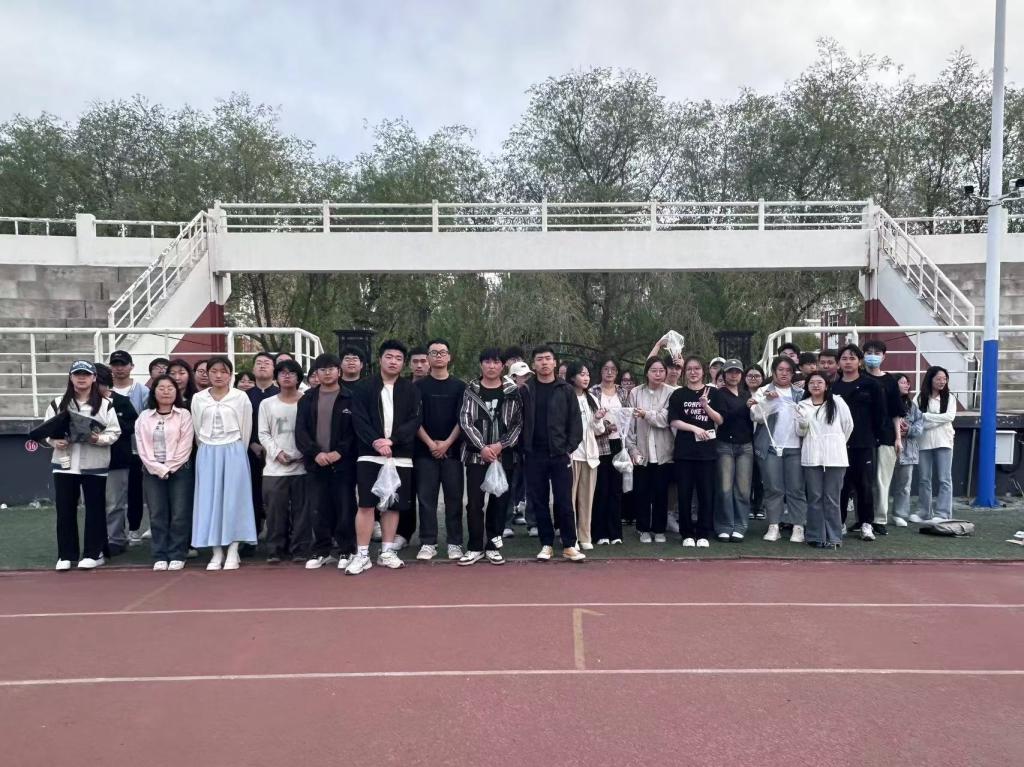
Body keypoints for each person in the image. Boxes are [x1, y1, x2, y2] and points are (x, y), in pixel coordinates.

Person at [347, 340, 422, 575]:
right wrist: (376, 441)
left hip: (400, 456)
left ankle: (387, 551)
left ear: (403, 363)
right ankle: (362, 554)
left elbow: (415, 420)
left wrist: (393, 441)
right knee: (366, 504)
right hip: (370, 455)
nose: (393, 362)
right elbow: (358, 419)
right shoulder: (363, 387)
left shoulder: (411, 389)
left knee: (393, 505)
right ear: (380, 359)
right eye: (389, 357)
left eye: (398, 358)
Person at [44, 361, 121, 570]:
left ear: (94, 378)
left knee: (95, 509)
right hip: (64, 464)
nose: (81, 378)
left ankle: (94, 553)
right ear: (70, 377)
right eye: (77, 374)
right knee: (65, 509)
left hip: (95, 464)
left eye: (86, 374)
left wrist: (98, 439)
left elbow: (114, 432)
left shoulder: (105, 404)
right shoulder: (57, 403)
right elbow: (47, 430)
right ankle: (66, 555)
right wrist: (55, 442)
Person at [458, 347, 524, 565]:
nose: (491, 366)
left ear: (502, 366)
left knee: (500, 503)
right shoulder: (471, 389)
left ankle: (493, 546)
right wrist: (482, 447)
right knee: (474, 504)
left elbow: (518, 424)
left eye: (496, 362)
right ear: (481, 365)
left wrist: (500, 445)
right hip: (476, 457)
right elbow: (465, 421)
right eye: (487, 362)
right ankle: (475, 546)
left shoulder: (512, 391)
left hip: (504, 457)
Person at [190, 356, 257, 570]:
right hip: (207, 452)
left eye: (223, 371)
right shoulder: (198, 398)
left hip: (234, 451)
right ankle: (216, 551)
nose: (218, 375)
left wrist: (237, 451)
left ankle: (234, 549)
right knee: (209, 501)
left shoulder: (240, 397)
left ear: (230, 375)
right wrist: (208, 448)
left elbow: (246, 429)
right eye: (214, 371)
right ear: (207, 374)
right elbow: (197, 429)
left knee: (235, 499)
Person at [521, 345, 585, 561]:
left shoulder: (566, 390)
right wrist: (524, 449)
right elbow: (518, 421)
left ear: (555, 362)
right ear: (533, 364)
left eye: (548, 358)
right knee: (539, 501)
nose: (544, 363)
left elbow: (575, 423)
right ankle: (546, 544)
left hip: (560, 454)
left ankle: (569, 545)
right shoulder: (526, 390)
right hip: (534, 454)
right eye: (539, 359)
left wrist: (568, 448)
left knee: (564, 501)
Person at [295, 353, 357, 570]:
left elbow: (354, 431)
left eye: (331, 368)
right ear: (316, 374)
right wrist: (315, 453)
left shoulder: (350, 398)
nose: (327, 373)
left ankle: (346, 550)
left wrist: (339, 452)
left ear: (339, 372)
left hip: (343, 464)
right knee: (318, 508)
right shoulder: (307, 399)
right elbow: (300, 431)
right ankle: (321, 550)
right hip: (316, 463)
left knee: (345, 507)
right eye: (322, 369)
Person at [414, 338, 466, 561]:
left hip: (452, 452)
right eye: (434, 353)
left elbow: (463, 419)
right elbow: (414, 419)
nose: (438, 356)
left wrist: (446, 443)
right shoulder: (417, 387)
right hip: (424, 452)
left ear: (449, 357)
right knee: (426, 499)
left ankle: (455, 543)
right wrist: (431, 444)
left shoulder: (460, 387)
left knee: (454, 499)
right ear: (428, 357)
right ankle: (428, 542)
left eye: (442, 352)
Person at [136, 375, 195, 570]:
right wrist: (158, 468)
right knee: (157, 514)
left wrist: (168, 467)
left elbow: (185, 446)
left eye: (170, 388)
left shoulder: (184, 415)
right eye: (161, 388)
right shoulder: (144, 417)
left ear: (176, 392)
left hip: (180, 470)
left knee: (180, 514)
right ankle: (160, 554)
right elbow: (142, 448)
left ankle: (178, 553)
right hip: (152, 471)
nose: (166, 391)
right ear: (154, 392)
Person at [830, 344, 886, 540]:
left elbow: (880, 414)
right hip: (839, 444)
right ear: (839, 362)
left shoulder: (872, 385)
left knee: (864, 485)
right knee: (841, 485)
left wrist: (875, 437)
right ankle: (840, 522)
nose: (848, 362)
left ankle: (866, 523)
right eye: (844, 358)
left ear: (860, 361)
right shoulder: (834, 387)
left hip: (864, 443)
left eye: (852, 358)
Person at [668, 357, 723, 547]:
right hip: (684, 452)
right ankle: (687, 534)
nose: (693, 372)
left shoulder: (714, 393)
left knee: (706, 494)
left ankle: (703, 533)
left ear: (703, 371)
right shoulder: (678, 394)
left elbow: (720, 420)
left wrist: (705, 405)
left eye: (697, 368)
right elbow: (673, 421)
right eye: (690, 369)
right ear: (685, 372)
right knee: (684, 494)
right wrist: (694, 428)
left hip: (707, 452)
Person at [751, 356, 807, 543]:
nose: (784, 373)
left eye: (788, 370)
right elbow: (756, 416)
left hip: (795, 447)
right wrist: (768, 401)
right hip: (771, 447)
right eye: (780, 370)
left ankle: (798, 526)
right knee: (773, 488)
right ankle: (774, 525)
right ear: (773, 372)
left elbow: (808, 419)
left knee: (796, 489)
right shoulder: (763, 391)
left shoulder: (801, 393)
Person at [258, 358, 309, 564]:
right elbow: (263, 433)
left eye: (292, 373)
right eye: (282, 373)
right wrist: (277, 453)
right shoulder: (267, 404)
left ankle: (300, 549)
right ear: (276, 377)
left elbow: (314, 431)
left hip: (303, 466)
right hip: (275, 468)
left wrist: (304, 453)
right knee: (275, 511)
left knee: (302, 511)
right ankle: (275, 549)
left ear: (299, 377)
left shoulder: (307, 400)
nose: (287, 376)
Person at [796, 372, 854, 549]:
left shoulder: (837, 402)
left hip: (835, 457)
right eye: (812, 383)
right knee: (814, 497)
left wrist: (836, 443)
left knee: (832, 498)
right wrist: (803, 424)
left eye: (819, 382)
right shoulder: (802, 405)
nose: (815, 385)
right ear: (807, 386)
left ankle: (834, 537)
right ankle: (815, 535)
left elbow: (848, 425)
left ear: (826, 385)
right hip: (811, 456)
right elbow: (799, 432)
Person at [626, 357, 674, 544]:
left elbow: (665, 419)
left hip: (664, 452)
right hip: (641, 451)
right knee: (642, 492)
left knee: (661, 493)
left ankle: (659, 529)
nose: (658, 374)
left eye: (661, 370)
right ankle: (643, 529)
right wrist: (632, 449)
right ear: (647, 372)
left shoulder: (671, 393)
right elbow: (629, 424)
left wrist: (646, 414)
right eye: (654, 370)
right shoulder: (636, 392)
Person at [94, 364, 137, 557]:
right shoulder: (81, 403)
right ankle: (97, 539)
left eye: (101, 384)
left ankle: (116, 539)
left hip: (117, 460)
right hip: (90, 461)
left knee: (115, 503)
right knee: (95, 504)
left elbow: (134, 424)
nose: (98, 389)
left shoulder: (121, 402)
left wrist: (112, 424)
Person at [862, 340, 904, 535]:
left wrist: (898, 438)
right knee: (862, 481)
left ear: (884, 356)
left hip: (886, 435)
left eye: (877, 352)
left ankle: (879, 519)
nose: (873, 355)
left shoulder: (890, 381)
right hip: (862, 436)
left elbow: (896, 412)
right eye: (869, 352)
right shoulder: (858, 378)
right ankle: (863, 519)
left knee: (882, 480)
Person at [108, 350, 149, 545]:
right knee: (113, 496)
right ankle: (115, 534)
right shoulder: (104, 390)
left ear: (131, 366)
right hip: (112, 449)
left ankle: (134, 529)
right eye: (115, 364)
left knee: (135, 491)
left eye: (123, 364)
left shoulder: (142, 391)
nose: (119, 368)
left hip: (137, 449)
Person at [714, 359, 754, 542]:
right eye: (730, 372)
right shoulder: (719, 394)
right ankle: (724, 525)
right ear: (724, 374)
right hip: (724, 445)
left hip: (745, 445)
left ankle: (740, 525)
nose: (733, 375)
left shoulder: (746, 394)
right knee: (724, 488)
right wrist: (745, 407)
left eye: (737, 372)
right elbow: (723, 418)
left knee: (743, 490)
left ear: (741, 375)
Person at [567, 361, 606, 550]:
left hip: (589, 456)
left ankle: (585, 536)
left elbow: (599, 430)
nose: (586, 378)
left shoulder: (592, 399)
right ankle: (570, 537)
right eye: (582, 374)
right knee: (569, 500)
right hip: (571, 455)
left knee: (586, 499)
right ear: (572, 377)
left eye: (588, 375)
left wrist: (597, 419)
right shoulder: (566, 397)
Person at [590, 357, 628, 545]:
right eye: (606, 368)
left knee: (616, 489)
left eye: (613, 369)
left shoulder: (623, 392)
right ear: (601, 371)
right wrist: (606, 427)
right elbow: (591, 419)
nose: (609, 372)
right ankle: (600, 533)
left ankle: (616, 533)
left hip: (618, 444)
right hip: (599, 445)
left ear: (617, 372)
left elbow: (627, 415)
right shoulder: (593, 392)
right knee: (601, 489)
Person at [912, 366, 956, 523]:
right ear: (930, 379)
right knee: (924, 479)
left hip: (944, 441)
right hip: (923, 442)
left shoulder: (950, 398)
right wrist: (935, 418)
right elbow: (915, 418)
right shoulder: (919, 397)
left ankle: (942, 514)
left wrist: (926, 416)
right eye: (938, 379)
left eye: (944, 379)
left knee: (944, 479)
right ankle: (924, 512)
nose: (942, 382)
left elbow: (949, 417)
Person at [246, 351, 280, 544]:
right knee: (251, 493)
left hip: (276, 452)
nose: (262, 366)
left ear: (274, 369)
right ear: (253, 369)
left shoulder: (280, 394)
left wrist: (271, 446)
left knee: (275, 495)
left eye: (267, 363)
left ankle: (278, 537)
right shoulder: (244, 396)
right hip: (250, 451)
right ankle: (251, 537)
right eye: (258, 362)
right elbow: (240, 423)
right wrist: (252, 442)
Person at [891, 374, 924, 527]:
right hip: (888, 446)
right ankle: (878, 515)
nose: (906, 385)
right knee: (880, 484)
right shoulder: (886, 402)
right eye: (902, 382)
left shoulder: (912, 406)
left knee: (904, 485)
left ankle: (900, 514)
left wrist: (908, 430)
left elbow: (920, 426)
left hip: (908, 450)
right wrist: (895, 430)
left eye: (907, 383)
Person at [743, 364, 767, 520]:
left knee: (760, 474)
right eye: (750, 376)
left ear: (762, 378)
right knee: (746, 475)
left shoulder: (766, 394)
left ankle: (759, 506)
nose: (753, 378)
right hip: (744, 438)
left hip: (762, 438)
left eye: (757, 376)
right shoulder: (741, 394)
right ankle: (748, 506)